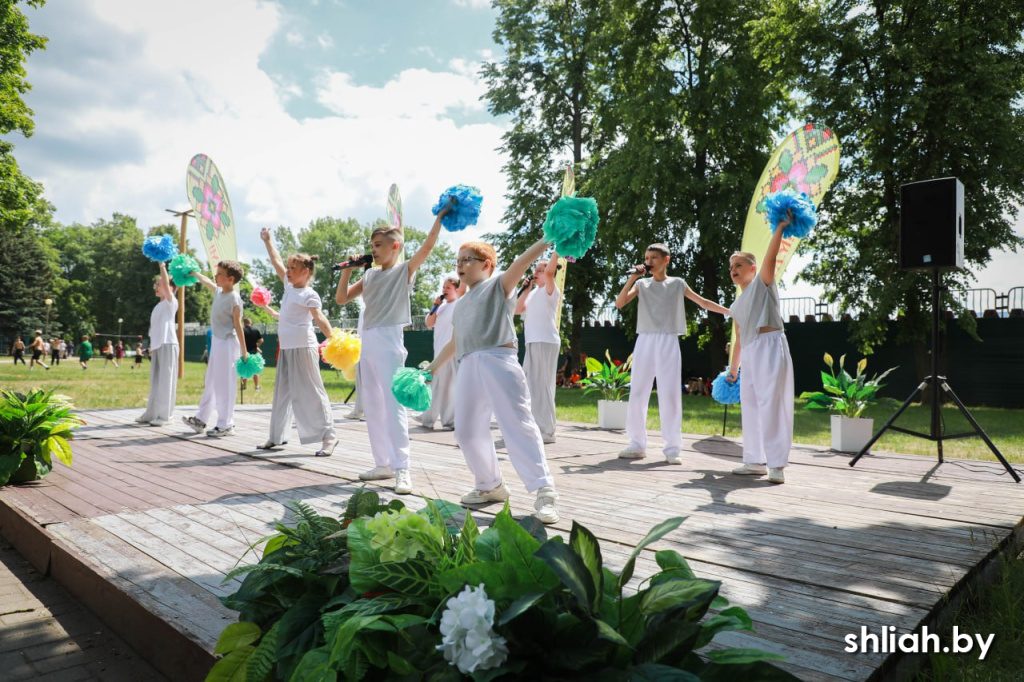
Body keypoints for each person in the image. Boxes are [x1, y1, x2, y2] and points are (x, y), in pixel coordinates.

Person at [425, 237, 560, 525]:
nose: (460, 266)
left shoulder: (498, 284)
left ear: (486, 264)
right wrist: (432, 369)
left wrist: (547, 238)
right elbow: (455, 341)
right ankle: (490, 485)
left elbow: (521, 262)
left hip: (499, 359)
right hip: (469, 363)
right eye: (457, 261)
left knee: (517, 424)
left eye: (466, 260)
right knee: (466, 431)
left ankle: (544, 490)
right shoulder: (460, 305)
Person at [335, 203, 446, 494]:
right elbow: (342, 299)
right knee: (372, 405)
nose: (374, 250)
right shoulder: (370, 275)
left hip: (388, 342)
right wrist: (347, 270)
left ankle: (402, 468)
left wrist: (439, 217)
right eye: (372, 245)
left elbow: (428, 245)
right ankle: (382, 463)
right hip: (367, 341)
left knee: (393, 406)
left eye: (379, 245)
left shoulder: (403, 272)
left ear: (395, 246)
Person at [614, 244, 730, 463]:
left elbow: (703, 302)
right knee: (638, 393)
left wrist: (730, 311)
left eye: (654, 258)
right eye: (646, 258)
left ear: (666, 260)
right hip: (645, 340)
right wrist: (631, 278)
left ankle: (673, 449)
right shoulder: (641, 284)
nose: (649, 262)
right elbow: (619, 303)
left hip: (668, 340)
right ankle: (636, 444)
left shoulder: (678, 283)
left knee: (670, 394)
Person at [727, 212, 795, 484]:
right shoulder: (735, 305)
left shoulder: (763, 284)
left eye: (739, 265)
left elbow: (770, 257)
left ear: (752, 269)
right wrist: (734, 369)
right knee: (751, 406)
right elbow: (740, 338)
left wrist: (779, 228)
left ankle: (776, 464)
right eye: (731, 266)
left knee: (772, 404)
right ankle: (753, 460)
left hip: (770, 346)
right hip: (752, 353)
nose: (733, 269)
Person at [257, 228, 337, 456]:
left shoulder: (309, 294)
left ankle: (329, 437)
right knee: (282, 393)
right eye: (289, 268)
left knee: (312, 392)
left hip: (304, 348)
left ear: (306, 271)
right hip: (287, 348)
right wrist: (268, 240)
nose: (288, 271)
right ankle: (276, 437)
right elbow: (276, 260)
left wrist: (333, 339)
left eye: (293, 268)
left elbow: (320, 318)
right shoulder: (289, 286)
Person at [182, 261, 247, 437]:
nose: (215, 276)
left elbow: (238, 325)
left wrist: (244, 351)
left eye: (219, 274)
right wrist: (194, 272)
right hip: (217, 342)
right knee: (210, 381)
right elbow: (205, 281)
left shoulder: (234, 299)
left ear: (230, 279)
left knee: (224, 384)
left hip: (228, 344)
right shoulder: (218, 291)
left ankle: (226, 424)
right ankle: (201, 420)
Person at [515, 253, 561, 444]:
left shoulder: (551, 290)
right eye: (535, 270)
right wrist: (526, 288)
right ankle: (536, 425)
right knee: (531, 385)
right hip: (532, 341)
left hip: (546, 340)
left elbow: (551, 272)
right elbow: (517, 309)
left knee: (543, 385)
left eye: (540, 271)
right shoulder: (534, 293)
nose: (537, 273)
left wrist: (557, 250)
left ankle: (548, 431)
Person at [136, 262, 179, 425]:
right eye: (156, 284)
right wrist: (151, 347)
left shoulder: (171, 302)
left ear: (170, 288)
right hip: (158, 347)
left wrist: (162, 266)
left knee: (166, 381)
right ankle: (151, 413)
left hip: (168, 345)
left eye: (159, 284)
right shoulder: (158, 306)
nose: (156, 287)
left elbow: (166, 284)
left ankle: (165, 417)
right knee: (155, 381)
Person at [418, 274, 462, 431]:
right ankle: (428, 417)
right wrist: (435, 307)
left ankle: (448, 421)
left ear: (457, 289)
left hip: (451, 353)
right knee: (434, 386)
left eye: (448, 288)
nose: (445, 290)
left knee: (447, 388)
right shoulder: (441, 308)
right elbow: (429, 324)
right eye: (443, 287)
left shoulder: (459, 305)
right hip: (439, 353)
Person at [241, 317, 264, 392]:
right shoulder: (255, 330)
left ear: (244, 323)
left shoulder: (242, 330)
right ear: (251, 322)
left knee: (244, 370)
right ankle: (257, 386)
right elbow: (261, 340)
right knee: (255, 370)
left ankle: (244, 386)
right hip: (254, 352)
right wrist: (257, 346)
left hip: (245, 352)